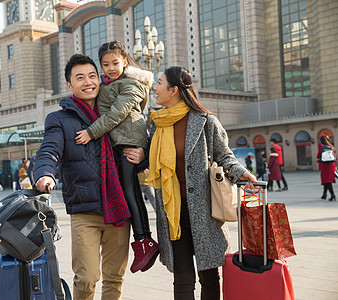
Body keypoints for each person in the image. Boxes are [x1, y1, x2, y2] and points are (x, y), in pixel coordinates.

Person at [139, 66, 256, 300]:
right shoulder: (157, 123)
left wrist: (241, 172)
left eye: (159, 82)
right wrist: (141, 156)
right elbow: (152, 157)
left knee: (209, 276)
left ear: (173, 90)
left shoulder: (205, 121)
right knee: (182, 277)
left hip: (205, 210)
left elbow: (224, 155)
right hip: (173, 211)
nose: (155, 88)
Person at [34, 54, 132, 300]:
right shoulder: (59, 119)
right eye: (80, 78)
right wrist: (45, 173)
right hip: (84, 211)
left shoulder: (116, 112)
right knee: (86, 278)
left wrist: (142, 153)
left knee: (114, 278)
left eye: (92, 76)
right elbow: (49, 150)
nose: (88, 82)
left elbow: (137, 139)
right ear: (70, 85)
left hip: (119, 208)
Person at [74, 41, 158, 272]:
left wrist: (91, 132)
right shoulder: (109, 84)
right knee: (128, 191)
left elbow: (117, 113)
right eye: (105, 64)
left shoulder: (132, 84)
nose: (110, 68)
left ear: (125, 61)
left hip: (129, 142)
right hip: (118, 143)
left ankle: (144, 240)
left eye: (115, 63)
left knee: (131, 192)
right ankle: (144, 241)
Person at [317, 135, 336, 201]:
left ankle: (332, 195)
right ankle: (324, 194)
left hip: (325, 165)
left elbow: (318, 155)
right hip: (332, 165)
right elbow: (334, 156)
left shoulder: (321, 146)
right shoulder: (331, 146)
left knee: (327, 181)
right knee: (327, 180)